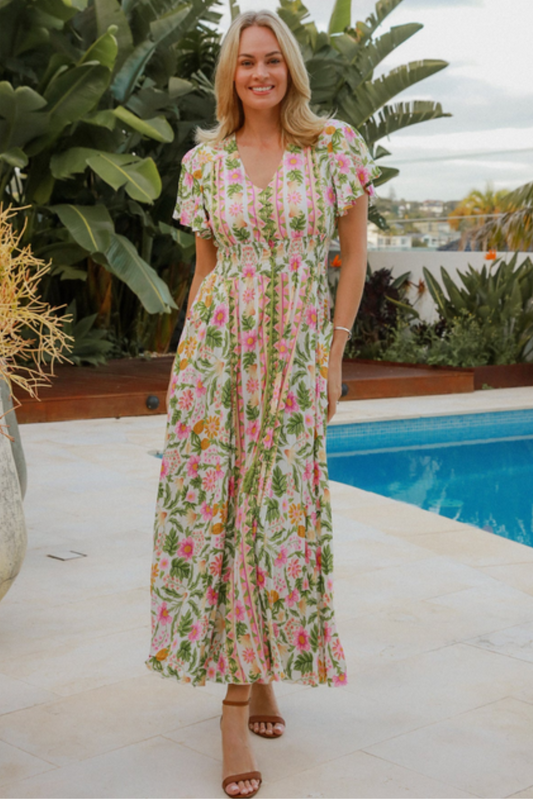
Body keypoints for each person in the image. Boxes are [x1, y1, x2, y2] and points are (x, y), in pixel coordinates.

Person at [145, 9, 380, 798]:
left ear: (290, 70)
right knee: (226, 518)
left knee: (276, 519)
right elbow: (205, 271)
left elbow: (352, 256)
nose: (259, 74)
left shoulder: (335, 147)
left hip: (295, 357)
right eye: (246, 61)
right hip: (218, 359)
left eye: (272, 60)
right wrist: (184, 365)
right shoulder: (203, 163)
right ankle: (238, 700)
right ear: (230, 73)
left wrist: (335, 354)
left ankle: (256, 674)